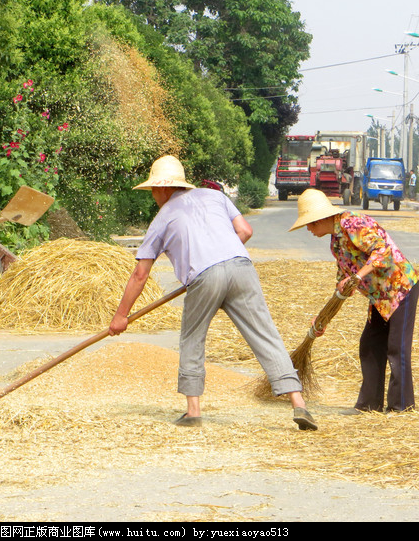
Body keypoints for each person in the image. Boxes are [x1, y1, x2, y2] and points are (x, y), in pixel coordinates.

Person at [108, 155, 317, 431]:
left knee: (193, 338)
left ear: (161, 188)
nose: (153, 197)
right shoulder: (214, 196)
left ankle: (193, 411)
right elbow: (245, 230)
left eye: (153, 191)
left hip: (205, 276)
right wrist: (223, 253)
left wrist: (120, 316)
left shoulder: (161, 218)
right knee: (265, 333)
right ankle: (298, 402)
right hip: (241, 267)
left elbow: (140, 274)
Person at [290, 188, 419, 413]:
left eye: (309, 224)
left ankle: (401, 407)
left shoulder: (353, 224)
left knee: (396, 347)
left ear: (321, 218)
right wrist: (322, 319)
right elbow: (344, 281)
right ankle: (369, 405)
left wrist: (359, 276)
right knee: (369, 345)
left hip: (400, 287)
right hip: (379, 296)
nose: (309, 229)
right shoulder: (336, 243)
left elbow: (383, 251)